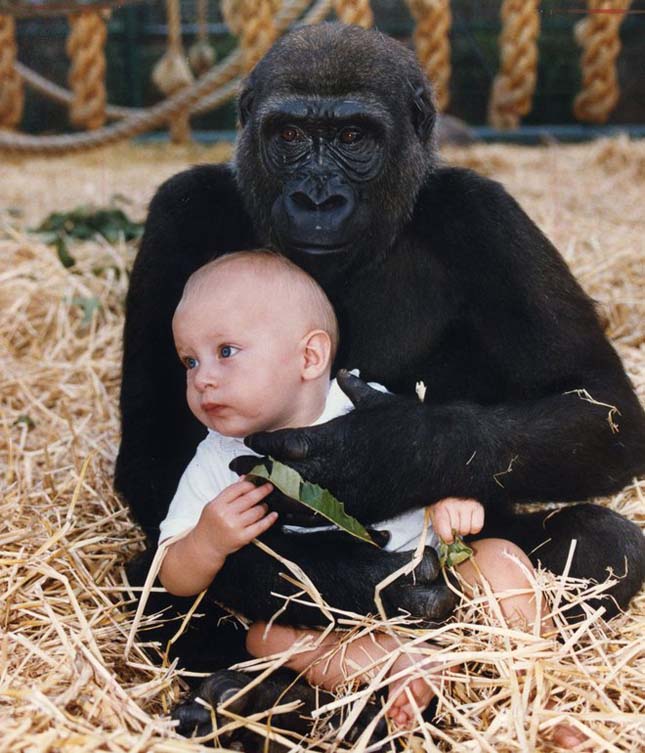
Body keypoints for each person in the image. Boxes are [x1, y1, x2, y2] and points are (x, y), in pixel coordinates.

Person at [157, 249, 582, 746]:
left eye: (225, 351)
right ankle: (402, 667)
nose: (202, 377)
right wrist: (207, 540)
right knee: (265, 639)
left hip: (433, 577)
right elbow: (173, 574)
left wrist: (452, 499)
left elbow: (430, 464)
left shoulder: (368, 404)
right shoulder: (216, 460)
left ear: (310, 357)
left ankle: (538, 698)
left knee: (501, 563)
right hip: (339, 626)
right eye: (190, 361)